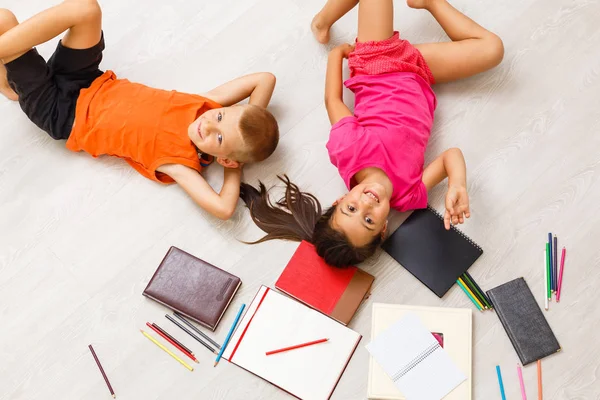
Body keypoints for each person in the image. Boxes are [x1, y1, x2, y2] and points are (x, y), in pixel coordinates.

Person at [240, 0, 504, 266]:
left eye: (351, 208)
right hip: (419, 73)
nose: (366, 204)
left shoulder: (349, 151)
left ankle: (321, 21)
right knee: (493, 49)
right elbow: (451, 157)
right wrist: (458, 184)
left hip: (376, 63)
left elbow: (333, 101)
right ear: (383, 229)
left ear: (341, 198)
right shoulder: (408, 196)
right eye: (368, 220)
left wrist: (335, 56)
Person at [0, 0, 279, 220]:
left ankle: (11, 83)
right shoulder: (205, 104)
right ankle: (11, 86)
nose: (208, 125)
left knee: (3, 20)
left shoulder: (181, 164)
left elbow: (223, 208)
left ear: (225, 159)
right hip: (85, 78)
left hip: (61, 114)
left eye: (217, 138)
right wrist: (235, 139)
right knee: (86, 7)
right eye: (221, 117)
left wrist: (234, 165)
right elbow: (265, 79)